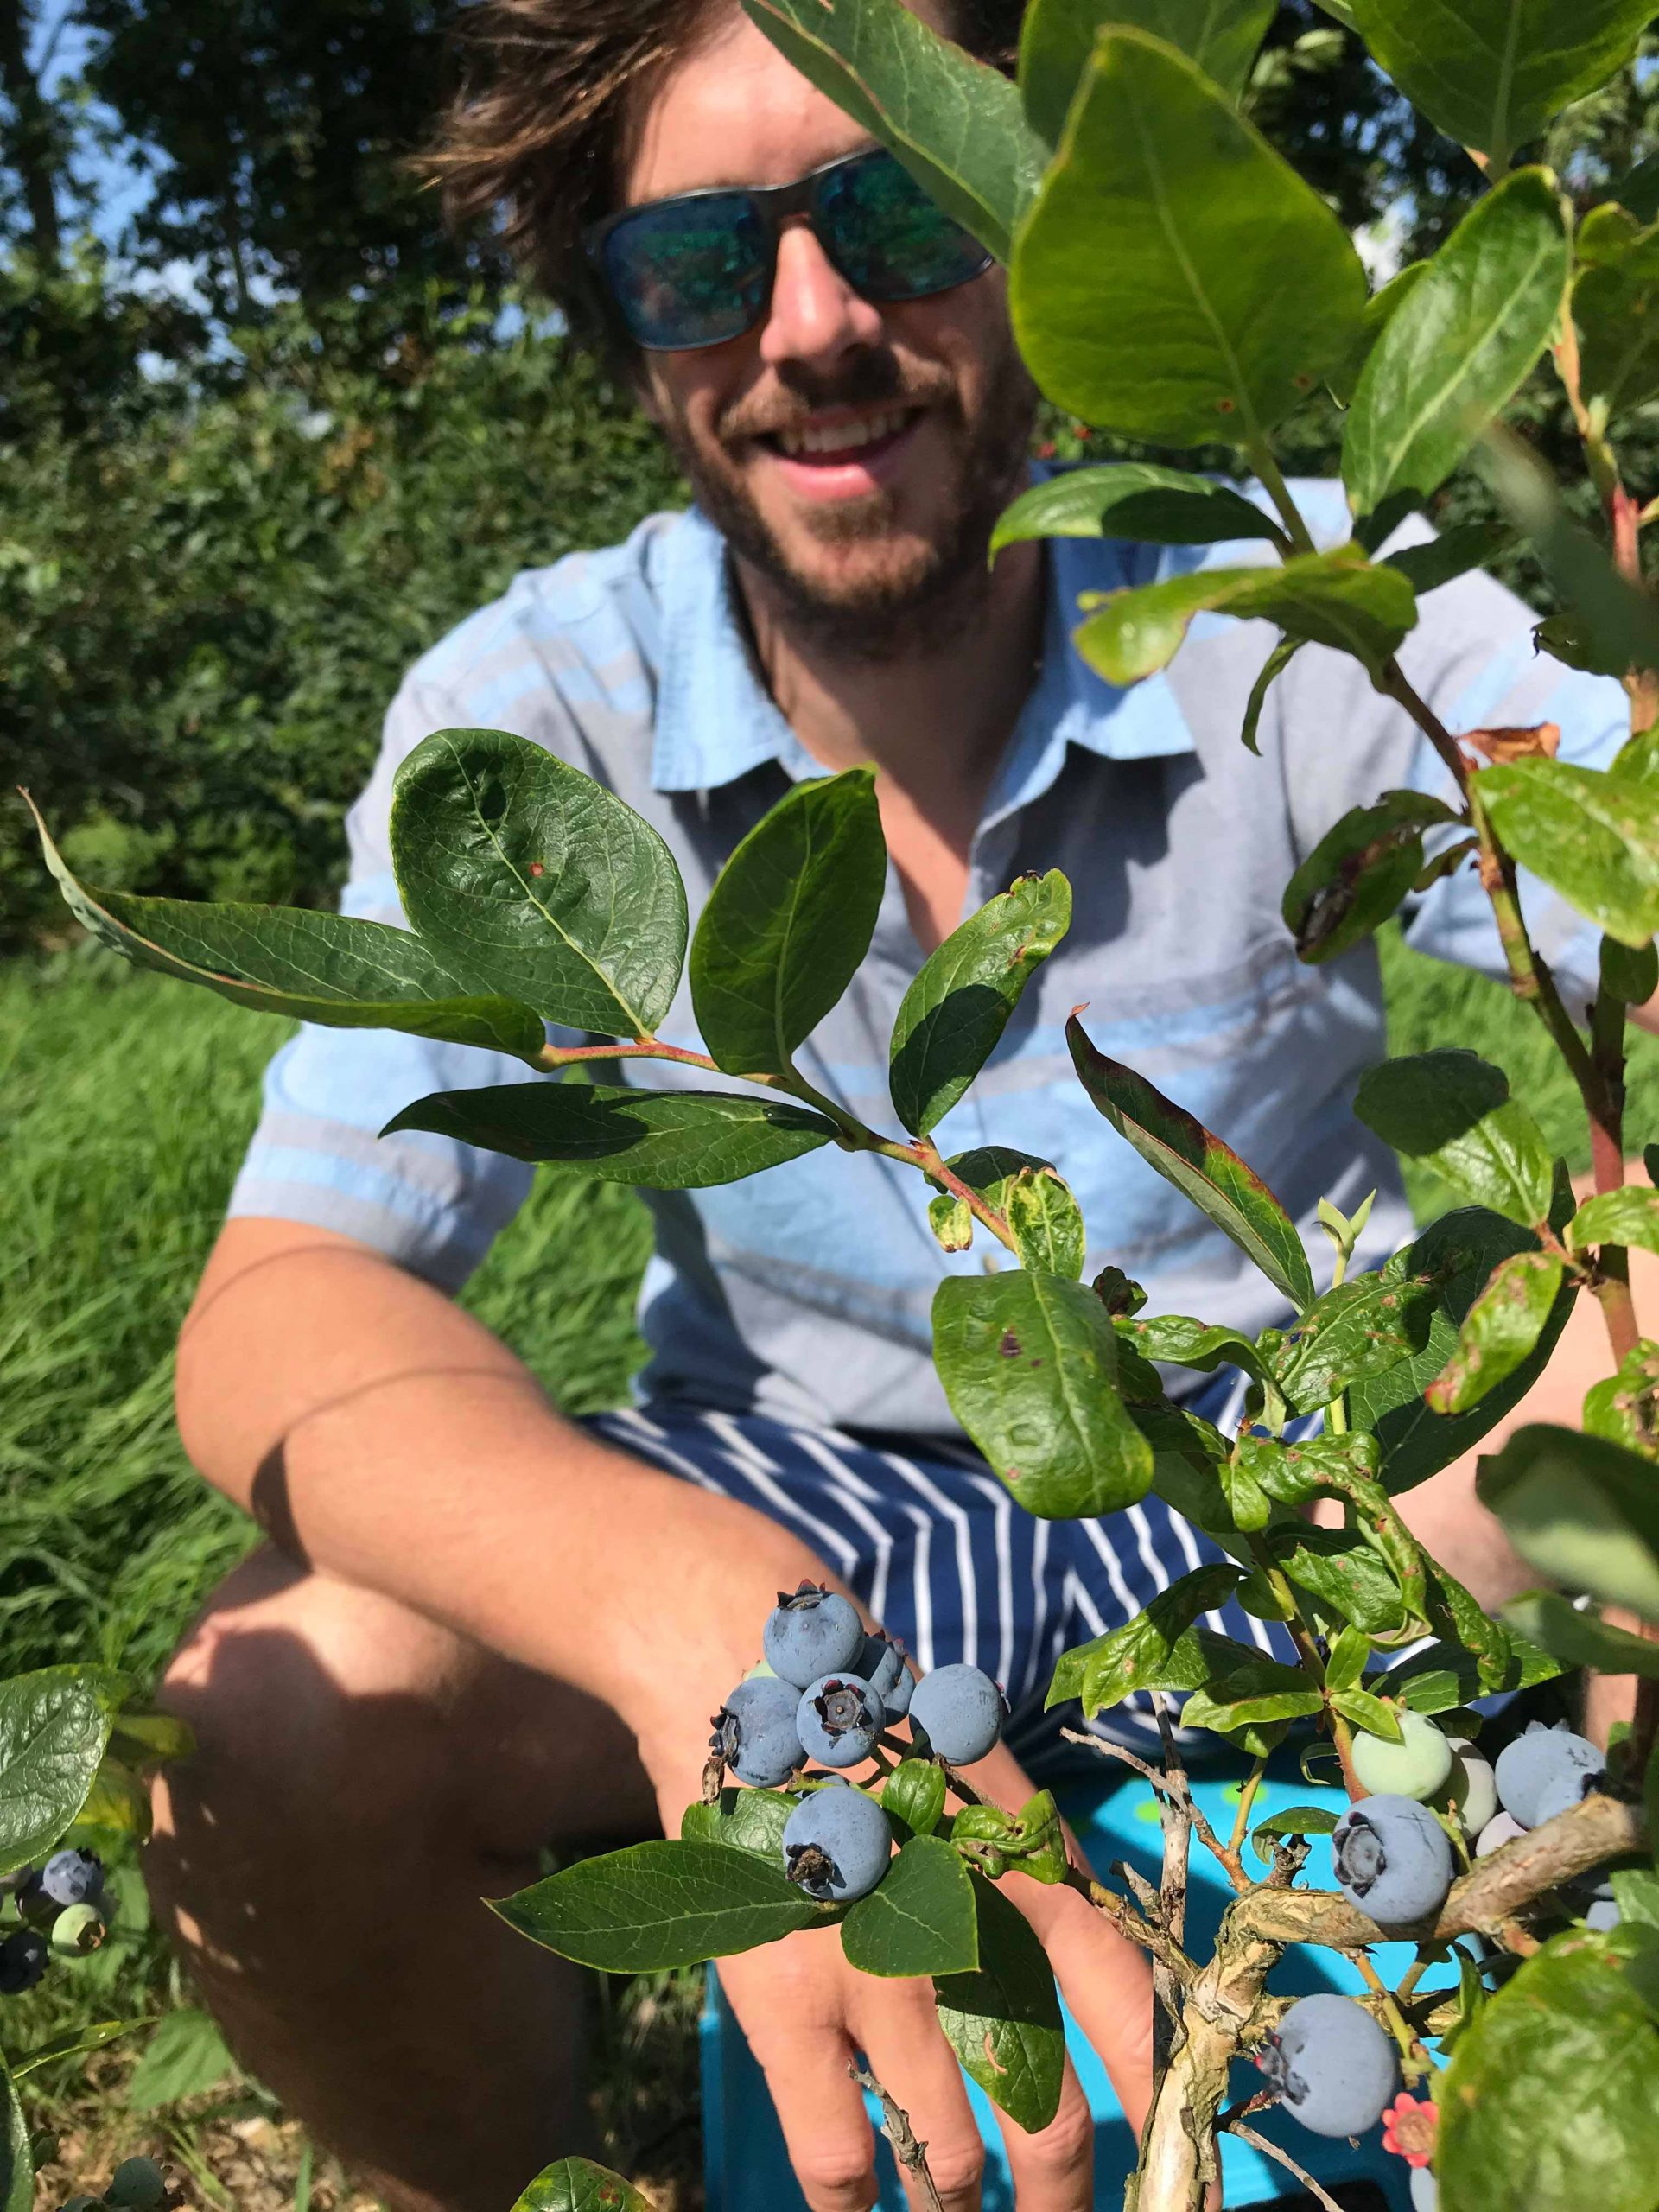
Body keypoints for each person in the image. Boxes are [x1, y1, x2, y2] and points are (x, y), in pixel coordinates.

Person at [143, 3, 1648, 2209]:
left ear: (1038, 232)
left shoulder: (1283, 594)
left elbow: (1619, 839)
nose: (813, 324)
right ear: (622, 326)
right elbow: (285, 1303)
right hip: (790, 1492)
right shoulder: (539, 716)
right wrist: (692, 1611)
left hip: (1295, 1479)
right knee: (266, 1717)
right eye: (696, 260)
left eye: (896, 213)